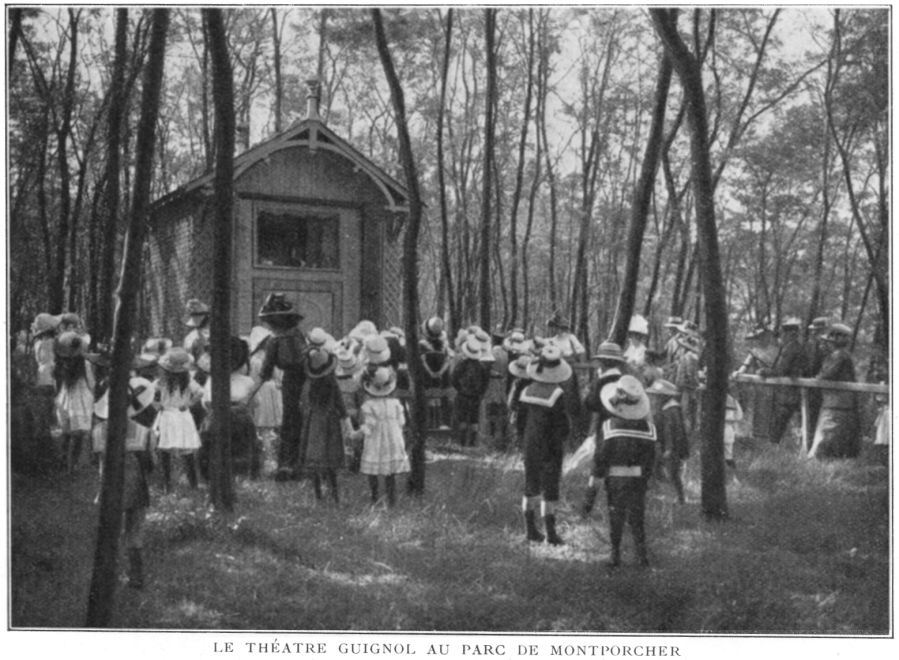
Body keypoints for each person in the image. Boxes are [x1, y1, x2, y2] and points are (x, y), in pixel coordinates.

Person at [92, 376, 159, 588]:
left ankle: (106, 575)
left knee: (109, 530)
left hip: (109, 485)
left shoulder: (98, 432)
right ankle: (136, 576)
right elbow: (151, 465)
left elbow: (98, 462)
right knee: (135, 532)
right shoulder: (145, 433)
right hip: (136, 486)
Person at [594, 375, 657, 567]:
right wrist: (645, 478)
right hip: (638, 479)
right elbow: (650, 459)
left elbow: (601, 457)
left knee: (616, 516)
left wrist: (597, 478)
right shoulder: (649, 429)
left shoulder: (609, 426)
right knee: (637, 517)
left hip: (616, 479)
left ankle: (615, 554)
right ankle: (641, 554)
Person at [519, 344, 572, 545]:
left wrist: (524, 439)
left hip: (530, 444)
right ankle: (550, 533)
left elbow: (520, 420)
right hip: (550, 447)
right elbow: (562, 425)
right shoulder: (557, 394)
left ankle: (530, 530)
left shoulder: (526, 390)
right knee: (550, 489)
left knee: (530, 485)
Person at [256, 293, 308, 481]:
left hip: (292, 383)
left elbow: (266, 370)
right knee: (300, 421)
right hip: (305, 381)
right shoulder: (298, 335)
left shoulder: (275, 341)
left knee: (290, 422)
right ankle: (299, 464)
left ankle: (287, 464)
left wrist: (250, 393)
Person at [201, 336, 259, 479]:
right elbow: (256, 403)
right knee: (247, 447)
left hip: (216, 418)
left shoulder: (212, 381)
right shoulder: (248, 382)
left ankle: (211, 472)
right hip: (242, 420)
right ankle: (246, 473)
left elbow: (206, 402)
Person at [352, 366, 410, 506]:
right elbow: (402, 422)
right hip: (393, 438)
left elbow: (370, 426)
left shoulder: (369, 405)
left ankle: (375, 497)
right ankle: (391, 499)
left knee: (373, 469)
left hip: (376, 440)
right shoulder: (396, 403)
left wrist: (358, 434)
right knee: (390, 471)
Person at [300, 346, 351, 502]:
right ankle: (335, 494)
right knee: (331, 460)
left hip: (314, 421)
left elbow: (304, 403)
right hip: (330, 421)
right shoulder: (332, 383)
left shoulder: (309, 384)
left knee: (316, 459)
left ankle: (318, 495)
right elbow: (341, 406)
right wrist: (348, 425)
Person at [808, 323, 861, 459]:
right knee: (831, 433)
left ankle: (818, 461)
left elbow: (826, 375)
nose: (827, 345)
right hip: (835, 402)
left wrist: (817, 378)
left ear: (836, 342)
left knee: (828, 432)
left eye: (829, 342)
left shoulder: (839, 356)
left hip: (838, 403)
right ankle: (824, 460)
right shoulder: (836, 355)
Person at [154, 347, 203, 492]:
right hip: (182, 416)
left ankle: (166, 485)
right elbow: (200, 392)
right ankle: (192, 483)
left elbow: (150, 395)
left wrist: (158, 406)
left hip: (168, 415)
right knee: (186, 450)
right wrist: (188, 404)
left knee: (165, 451)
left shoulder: (161, 381)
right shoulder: (188, 380)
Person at [759, 317, 806, 446]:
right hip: (789, 391)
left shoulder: (791, 348)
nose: (782, 337)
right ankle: (776, 446)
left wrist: (765, 371)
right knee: (784, 421)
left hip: (789, 393)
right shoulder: (794, 347)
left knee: (780, 420)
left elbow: (781, 369)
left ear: (791, 335)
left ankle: (773, 446)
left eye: (784, 334)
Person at [54, 331, 96, 473]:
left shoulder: (61, 364)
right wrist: (94, 394)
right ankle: (74, 465)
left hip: (65, 399)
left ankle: (63, 461)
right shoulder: (85, 364)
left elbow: (59, 384)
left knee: (66, 433)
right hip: (80, 400)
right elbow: (91, 383)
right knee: (78, 434)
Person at [732, 324, 778, 442]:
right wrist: (738, 373)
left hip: (772, 385)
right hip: (757, 386)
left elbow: (779, 368)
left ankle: (765, 436)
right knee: (756, 408)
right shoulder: (755, 351)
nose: (760, 339)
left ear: (768, 336)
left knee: (767, 410)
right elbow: (745, 365)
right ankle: (753, 435)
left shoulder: (776, 350)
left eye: (762, 336)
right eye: (758, 337)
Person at [646, 379, 688, 503]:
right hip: (663, 445)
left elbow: (671, 431)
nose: (654, 398)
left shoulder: (671, 409)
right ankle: (656, 492)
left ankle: (680, 498)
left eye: (657, 396)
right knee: (655, 469)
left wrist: (669, 448)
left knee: (673, 473)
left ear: (663, 396)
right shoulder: (666, 408)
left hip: (671, 447)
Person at [247, 325, 282, 475]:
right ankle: (268, 459)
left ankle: (268, 459)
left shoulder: (256, 359)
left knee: (265, 429)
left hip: (264, 390)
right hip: (266, 391)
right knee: (266, 429)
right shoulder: (260, 359)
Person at [450, 335, 490, 447]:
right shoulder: (482, 367)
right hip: (476, 396)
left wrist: (459, 389)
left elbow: (453, 378)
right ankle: (472, 443)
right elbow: (485, 383)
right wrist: (481, 393)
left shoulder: (462, 365)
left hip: (463, 394)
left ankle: (462, 442)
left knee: (462, 418)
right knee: (474, 419)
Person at [335, 341, 365, 473]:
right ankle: (355, 462)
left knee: (343, 439)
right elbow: (359, 401)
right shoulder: (355, 384)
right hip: (353, 413)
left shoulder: (335, 386)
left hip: (340, 414)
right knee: (354, 440)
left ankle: (345, 463)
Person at [419, 316, 453, 431]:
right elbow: (448, 361)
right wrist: (440, 372)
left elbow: (422, 361)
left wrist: (430, 372)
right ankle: (438, 423)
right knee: (438, 399)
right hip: (441, 378)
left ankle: (431, 424)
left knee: (430, 399)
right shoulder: (445, 346)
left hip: (427, 378)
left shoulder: (422, 345)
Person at [802, 316, 831, 447]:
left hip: (821, 386)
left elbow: (825, 366)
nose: (814, 333)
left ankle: (815, 448)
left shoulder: (826, 345)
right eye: (814, 330)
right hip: (811, 385)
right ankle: (808, 445)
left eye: (817, 330)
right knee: (810, 416)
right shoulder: (811, 344)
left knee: (819, 417)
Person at [673, 326, 702, 433]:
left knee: (685, 409)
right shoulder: (689, 356)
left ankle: (686, 430)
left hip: (686, 387)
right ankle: (688, 428)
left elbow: (690, 374)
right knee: (687, 408)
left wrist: (690, 385)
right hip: (685, 385)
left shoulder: (689, 356)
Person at [724, 391, 743, 481]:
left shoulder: (732, 400)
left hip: (726, 430)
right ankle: (732, 477)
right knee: (727, 456)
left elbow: (739, 416)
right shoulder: (733, 400)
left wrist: (729, 419)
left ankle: (734, 477)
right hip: (724, 430)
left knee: (728, 456)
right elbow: (739, 416)